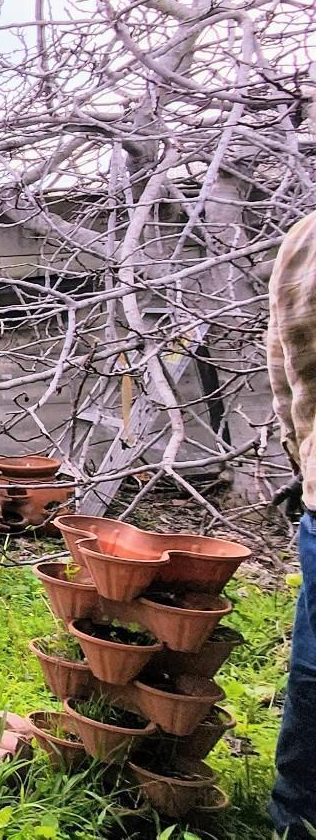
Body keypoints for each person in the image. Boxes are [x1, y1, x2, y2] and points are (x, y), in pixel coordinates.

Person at [267, 210, 316, 837]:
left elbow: (285, 383)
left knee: (315, 662)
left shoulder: (305, 239)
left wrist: (304, 466)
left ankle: (297, 812)